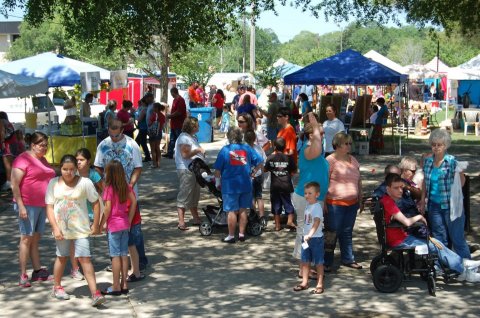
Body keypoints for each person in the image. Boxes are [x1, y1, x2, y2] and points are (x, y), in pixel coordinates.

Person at [381, 173, 480, 283]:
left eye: (401, 187)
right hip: (399, 240)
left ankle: (461, 264)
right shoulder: (389, 203)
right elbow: (407, 222)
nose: (400, 190)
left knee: (436, 243)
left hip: (400, 236)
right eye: (396, 188)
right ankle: (464, 270)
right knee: (435, 246)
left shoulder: (386, 200)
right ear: (388, 189)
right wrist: (419, 217)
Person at [45, 154, 106, 306]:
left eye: (72, 169)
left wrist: (96, 224)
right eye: (65, 169)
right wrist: (55, 228)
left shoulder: (85, 182)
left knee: (85, 259)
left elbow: (96, 203)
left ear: (76, 169)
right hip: (62, 230)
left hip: (81, 229)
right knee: (62, 257)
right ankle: (57, 286)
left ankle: (95, 293)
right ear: (60, 168)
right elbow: (50, 207)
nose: (69, 172)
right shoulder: (53, 183)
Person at [94, 117, 148, 271]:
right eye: (111, 135)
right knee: (113, 228)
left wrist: (129, 186)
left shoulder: (132, 145)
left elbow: (138, 168)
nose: (113, 139)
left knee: (134, 230)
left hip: (129, 195)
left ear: (122, 131)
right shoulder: (103, 145)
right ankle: (116, 260)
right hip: (110, 194)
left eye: (116, 136)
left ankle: (140, 261)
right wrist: (103, 185)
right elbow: (97, 167)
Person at [11, 132, 55, 287]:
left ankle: (37, 271)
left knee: (35, 239)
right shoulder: (22, 159)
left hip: (42, 204)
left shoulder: (42, 159)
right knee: (26, 238)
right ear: (33, 144)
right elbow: (14, 184)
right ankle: (23, 274)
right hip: (28, 205)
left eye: (46, 145)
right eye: (41, 145)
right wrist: (21, 205)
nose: (44, 148)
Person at [419, 129, 470, 259]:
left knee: (457, 238)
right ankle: (444, 265)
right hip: (434, 206)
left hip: (452, 206)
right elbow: (425, 182)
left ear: (445, 145)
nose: (436, 147)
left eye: (439, 145)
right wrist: (422, 200)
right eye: (434, 144)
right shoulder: (428, 162)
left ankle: (468, 268)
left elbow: (462, 182)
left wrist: (459, 177)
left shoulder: (452, 162)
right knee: (439, 239)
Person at [292, 113, 329, 279]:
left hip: (317, 199)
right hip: (306, 198)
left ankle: (307, 265)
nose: (322, 136)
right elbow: (317, 148)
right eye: (320, 134)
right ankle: (303, 267)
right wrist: (314, 127)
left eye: (322, 134)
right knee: (304, 230)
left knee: (313, 231)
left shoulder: (318, 153)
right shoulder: (309, 150)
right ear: (311, 135)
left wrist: (324, 200)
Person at [214, 127, 263, 243]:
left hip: (230, 186)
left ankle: (231, 236)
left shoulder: (225, 150)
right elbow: (260, 162)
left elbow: (217, 170)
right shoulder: (247, 148)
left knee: (231, 211)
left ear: (228, 137)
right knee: (243, 210)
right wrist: (253, 172)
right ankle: (241, 234)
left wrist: (217, 182)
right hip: (245, 184)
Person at [324, 132, 363, 271]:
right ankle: (327, 262)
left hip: (352, 203)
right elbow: (324, 181)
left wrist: (361, 197)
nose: (349, 146)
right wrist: (322, 201)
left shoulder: (353, 160)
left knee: (347, 232)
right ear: (338, 145)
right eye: (346, 143)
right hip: (334, 203)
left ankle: (348, 258)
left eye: (350, 143)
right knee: (332, 232)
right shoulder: (329, 160)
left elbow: (359, 180)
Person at [100, 160, 137, 296]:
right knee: (123, 254)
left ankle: (115, 286)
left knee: (115, 256)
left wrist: (101, 223)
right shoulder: (125, 187)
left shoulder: (109, 188)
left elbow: (107, 208)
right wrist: (130, 218)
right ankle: (124, 284)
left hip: (114, 226)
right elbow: (133, 201)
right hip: (124, 224)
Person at [69, 148, 104, 281]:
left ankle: (85, 264)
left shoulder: (93, 174)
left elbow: (105, 189)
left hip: (89, 213)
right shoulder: (72, 173)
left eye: (82, 160)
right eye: (77, 160)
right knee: (73, 241)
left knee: (84, 242)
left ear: (88, 161)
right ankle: (75, 268)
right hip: (74, 213)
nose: (78, 162)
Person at [293, 182, 325, 294]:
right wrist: (305, 235)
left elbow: (316, 222)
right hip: (305, 239)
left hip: (315, 239)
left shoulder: (317, 207)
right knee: (305, 261)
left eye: (310, 193)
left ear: (317, 194)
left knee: (318, 263)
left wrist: (310, 234)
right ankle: (304, 282)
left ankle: (320, 284)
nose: (307, 195)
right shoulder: (308, 205)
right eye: (305, 193)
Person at [174, 117, 204, 230]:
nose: (199, 127)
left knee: (194, 194)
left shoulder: (192, 137)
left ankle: (196, 217)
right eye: (197, 125)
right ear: (192, 126)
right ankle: (181, 221)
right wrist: (198, 151)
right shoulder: (184, 138)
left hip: (193, 169)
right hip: (186, 169)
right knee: (185, 194)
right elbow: (185, 155)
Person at [264, 137, 296, 231]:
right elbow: (294, 171)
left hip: (275, 185)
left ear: (274, 147)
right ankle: (290, 221)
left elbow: (265, 169)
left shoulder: (270, 158)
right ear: (285, 147)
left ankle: (277, 225)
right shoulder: (288, 158)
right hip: (286, 184)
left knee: (276, 205)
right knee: (288, 203)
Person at [244, 130, 266, 223]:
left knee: (252, 197)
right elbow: (263, 161)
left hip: (249, 176)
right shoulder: (259, 148)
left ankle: (253, 214)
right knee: (259, 196)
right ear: (255, 139)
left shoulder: (244, 149)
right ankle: (262, 216)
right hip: (259, 174)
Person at [164, 87, 187, 159]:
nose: (171, 95)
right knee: (172, 139)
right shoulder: (174, 100)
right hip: (174, 123)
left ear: (174, 92)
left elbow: (179, 112)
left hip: (179, 123)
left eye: (172, 93)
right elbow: (174, 110)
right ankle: (170, 153)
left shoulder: (181, 100)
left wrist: (170, 116)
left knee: (179, 139)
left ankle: (182, 154)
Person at [148, 102, 166, 168]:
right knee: (157, 147)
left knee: (153, 149)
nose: (153, 108)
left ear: (156, 108)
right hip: (159, 132)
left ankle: (154, 163)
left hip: (153, 133)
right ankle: (158, 163)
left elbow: (149, 124)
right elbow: (163, 124)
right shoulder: (162, 115)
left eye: (153, 107)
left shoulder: (153, 115)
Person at [134, 98, 152, 162]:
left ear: (144, 103)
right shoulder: (148, 109)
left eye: (141, 102)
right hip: (144, 127)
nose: (141, 103)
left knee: (142, 142)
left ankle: (147, 156)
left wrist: (135, 116)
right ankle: (136, 155)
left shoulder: (144, 110)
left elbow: (139, 119)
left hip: (143, 128)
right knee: (138, 141)